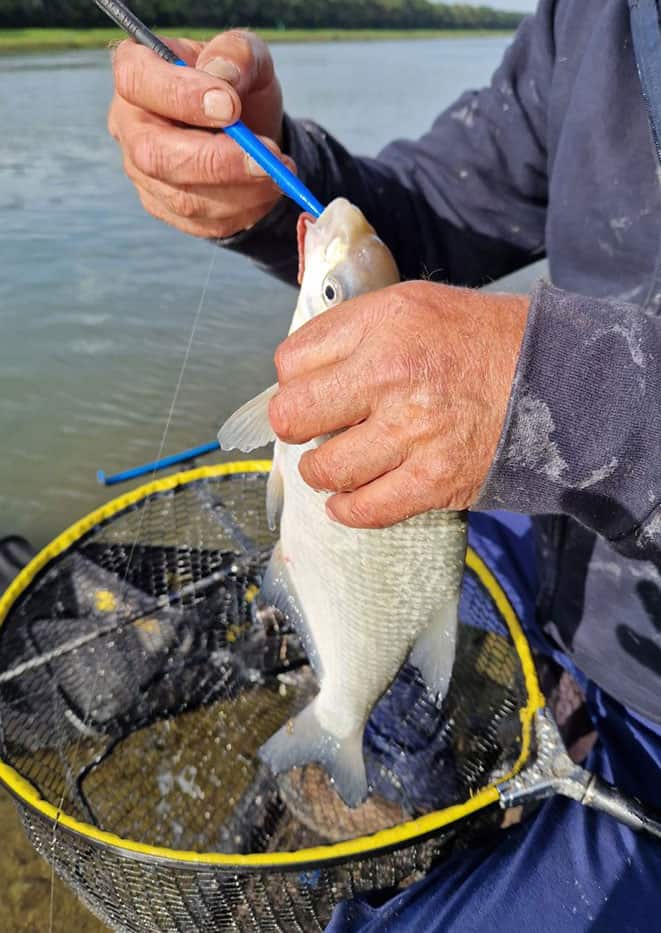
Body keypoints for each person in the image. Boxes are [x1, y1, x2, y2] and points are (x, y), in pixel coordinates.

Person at [108, 1, 660, 929]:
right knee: (382, 569)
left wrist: (558, 391)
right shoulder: (595, 15)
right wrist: (275, 172)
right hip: (576, 535)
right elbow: (439, 205)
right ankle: (404, 773)